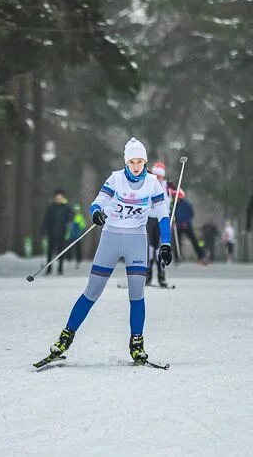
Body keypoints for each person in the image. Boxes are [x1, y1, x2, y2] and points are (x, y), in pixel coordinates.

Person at [45, 138, 171, 364]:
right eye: (132, 161)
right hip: (111, 238)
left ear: (145, 162)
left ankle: (137, 344)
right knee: (92, 292)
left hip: (136, 240)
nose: (136, 166)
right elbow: (97, 203)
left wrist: (166, 244)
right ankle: (65, 337)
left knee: (137, 294)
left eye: (140, 161)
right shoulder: (116, 178)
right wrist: (96, 213)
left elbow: (163, 215)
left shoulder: (153, 183)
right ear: (126, 161)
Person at [145, 161, 169, 287]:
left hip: (161, 220)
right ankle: (147, 276)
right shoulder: (148, 184)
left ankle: (161, 276)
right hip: (149, 219)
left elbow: (180, 194)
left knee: (160, 249)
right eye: (156, 175)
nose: (158, 178)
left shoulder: (167, 186)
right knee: (150, 248)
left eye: (160, 176)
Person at [38, 189, 73, 275]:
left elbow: (70, 219)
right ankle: (49, 268)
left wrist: (69, 229)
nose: (59, 199)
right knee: (50, 251)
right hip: (52, 232)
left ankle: (60, 268)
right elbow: (46, 220)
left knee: (61, 251)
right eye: (57, 198)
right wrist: (43, 230)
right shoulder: (51, 207)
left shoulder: (66, 208)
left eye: (60, 198)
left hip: (62, 233)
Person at [173, 189, 206, 263]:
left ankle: (201, 256)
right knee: (177, 241)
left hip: (187, 226)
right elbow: (173, 214)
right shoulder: (174, 205)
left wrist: (186, 222)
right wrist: (174, 221)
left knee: (193, 240)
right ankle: (177, 257)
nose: (175, 198)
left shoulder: (186, 204)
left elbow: (191, 214)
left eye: (177, 196)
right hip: (178, 226)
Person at [69, 203, 87, 268]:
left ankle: (78, 259)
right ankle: (69, 258)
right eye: (75, 209)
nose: (76, 211)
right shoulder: (71, 216)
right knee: (70, 247)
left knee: (78, 248)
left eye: (77, 209)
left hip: (77, 235)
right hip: (71, 235)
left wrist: (81, 230)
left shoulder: (80, 216)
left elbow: (83, 225)